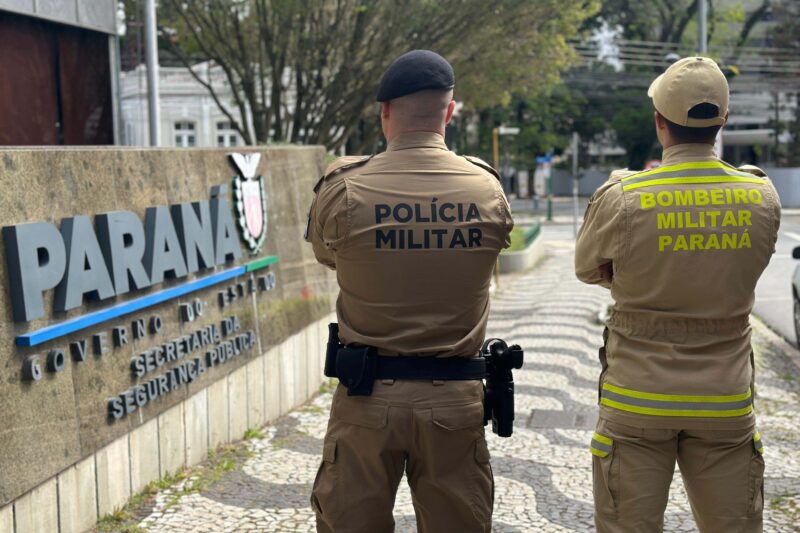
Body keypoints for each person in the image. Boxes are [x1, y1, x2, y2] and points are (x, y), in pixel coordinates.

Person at [306, 50, 514, 532]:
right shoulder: (486, 189)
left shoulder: (343, 188)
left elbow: (327, 256)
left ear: (384, 113)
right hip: (455, 401)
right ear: (450, 110)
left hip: (366, 400)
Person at [575, 56, 781, 533]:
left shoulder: (625, 197)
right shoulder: (760, 196)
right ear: (721, 121)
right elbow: (746, 267)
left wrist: (633, 277)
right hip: (724, 400)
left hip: (637, 397)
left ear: (659, 122)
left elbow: (587, 268)